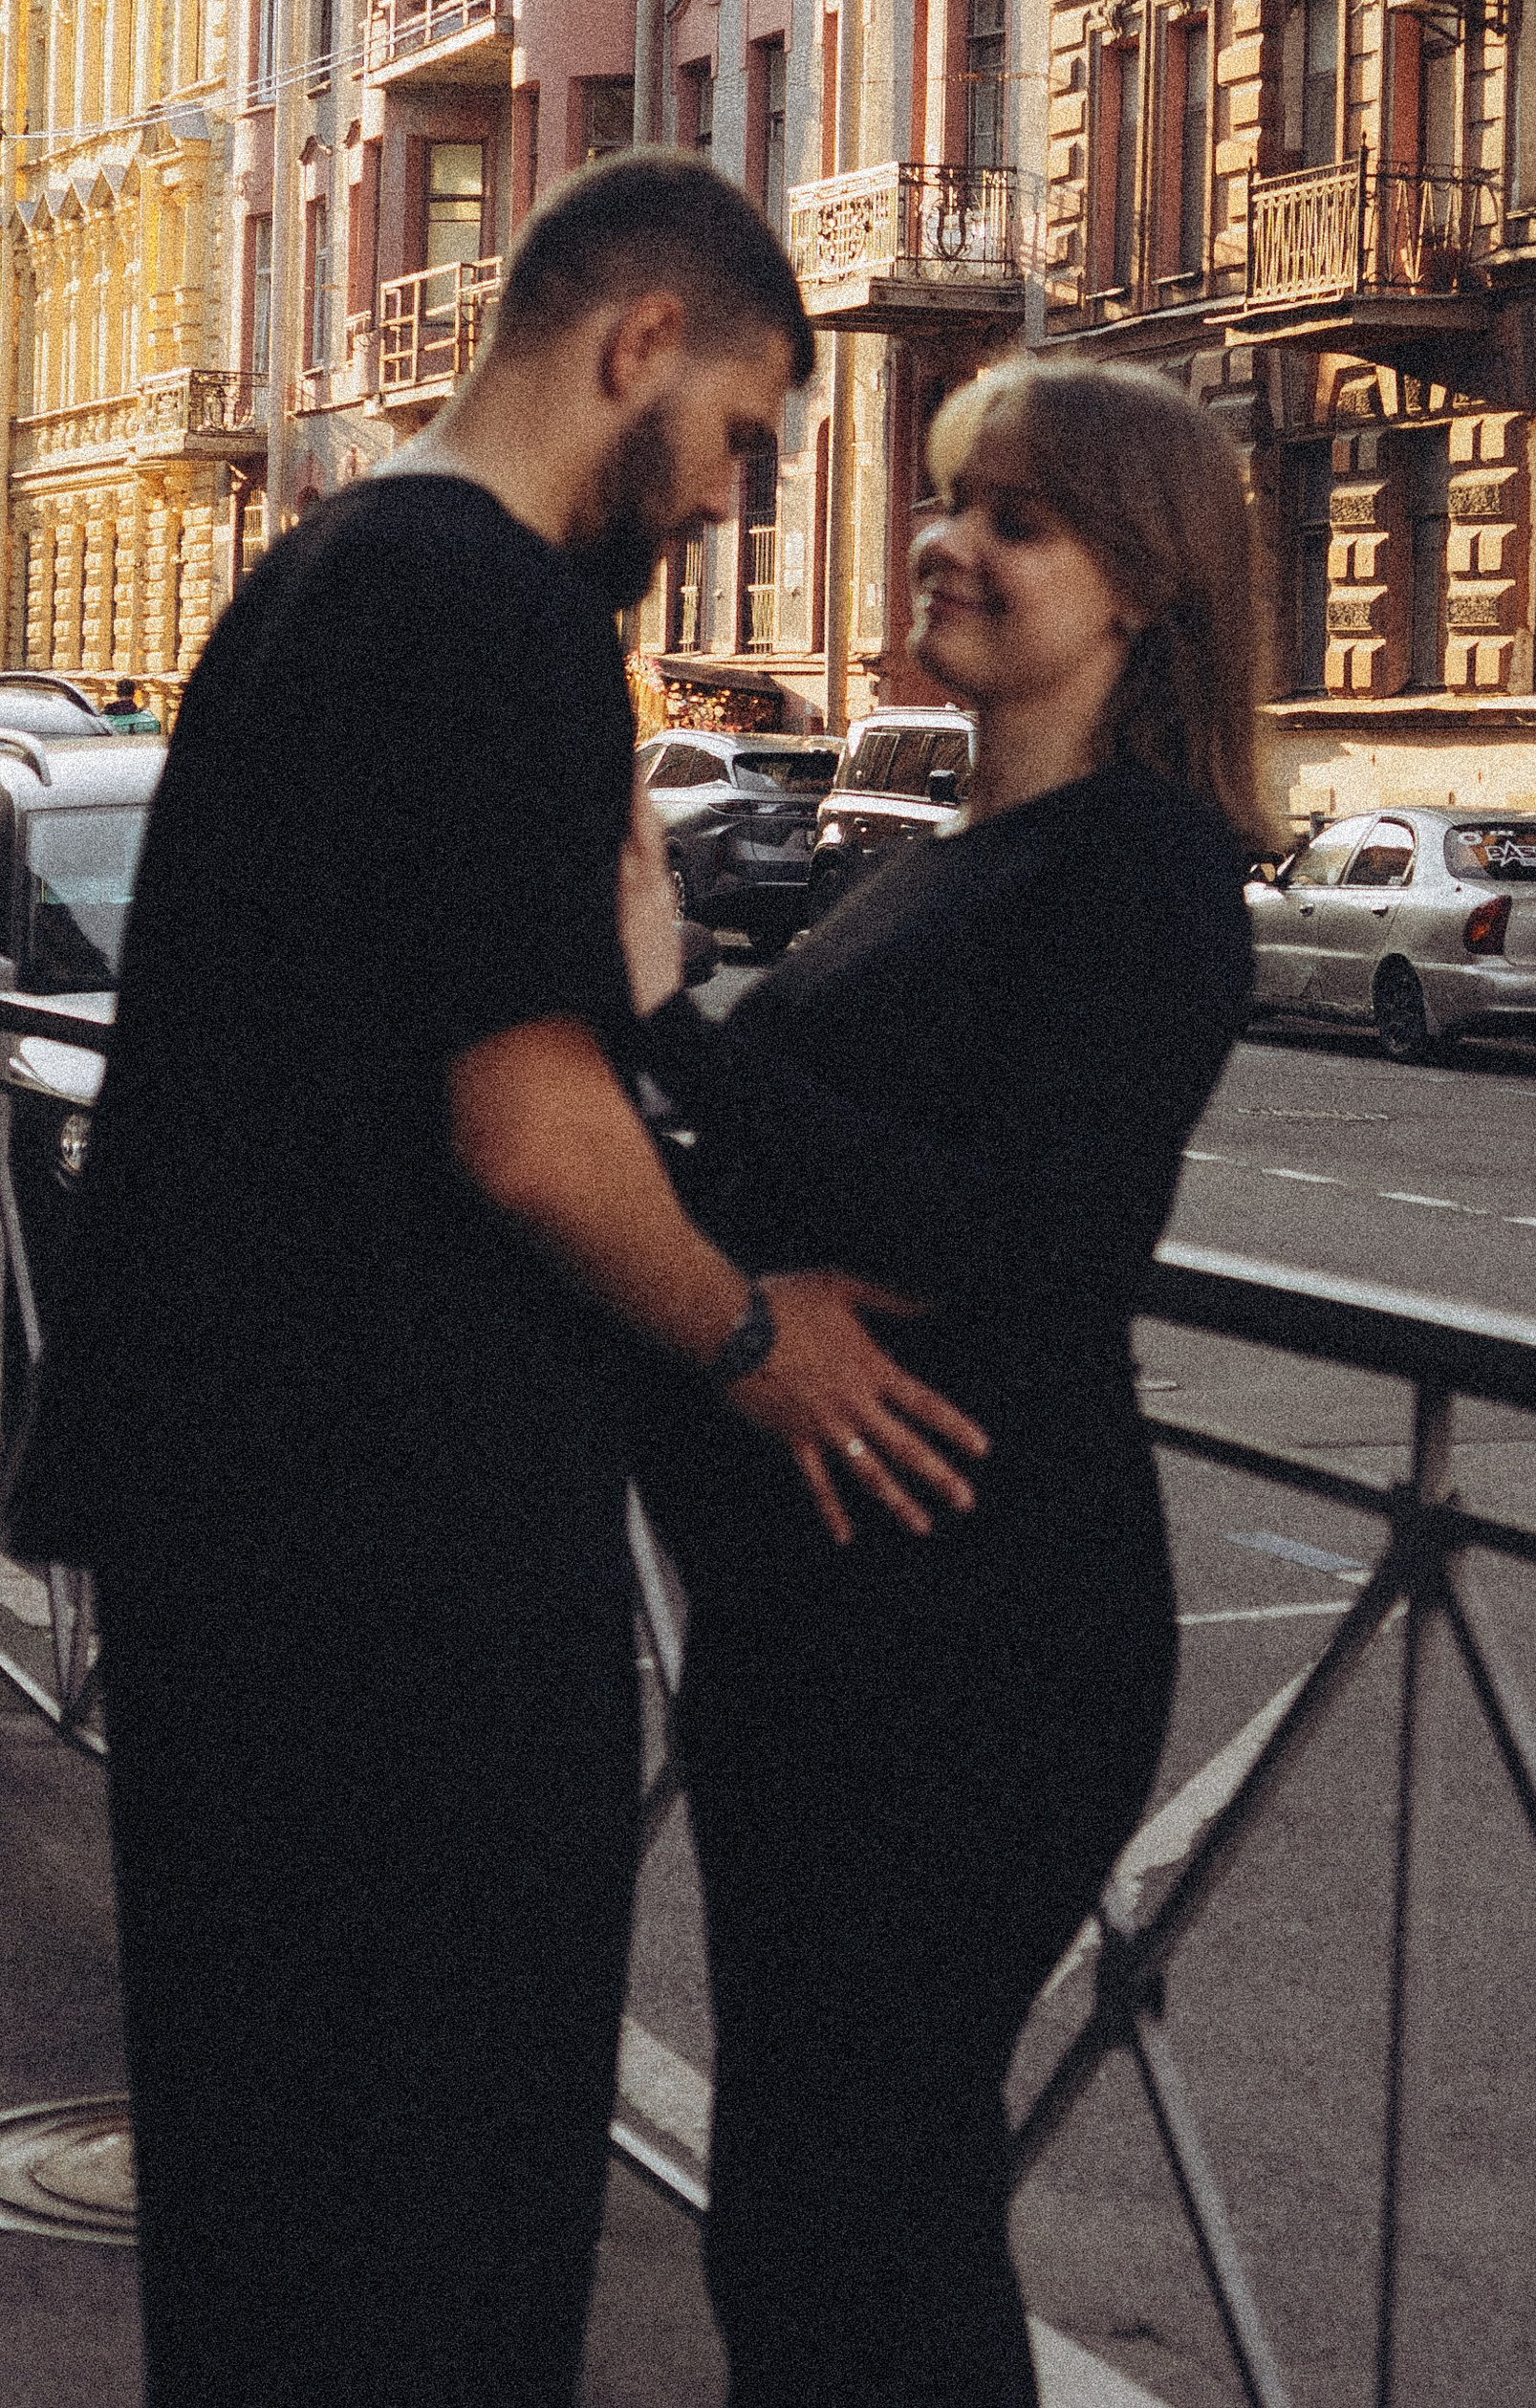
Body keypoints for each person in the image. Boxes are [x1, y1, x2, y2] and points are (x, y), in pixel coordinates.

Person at [5, 154, 984, 2408]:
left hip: (242, 1535)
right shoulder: (502, 617)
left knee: (268, 2215)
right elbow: (523, 1130)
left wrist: (621, 986)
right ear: (637, 346)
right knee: (435, 2223)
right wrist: (766, 1348)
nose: (733, 498)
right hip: (401, 1569)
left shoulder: (321, 572)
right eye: (742, 432)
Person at [623, 355, 1262, 2408]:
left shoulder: (1142, 868)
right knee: (815, 2201)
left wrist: (680, 1031)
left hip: (977, 1619)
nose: (947, 543)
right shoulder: (930, 844)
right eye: (942, 497)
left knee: (860, 2206)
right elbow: (816, 1179)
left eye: (1017, 517)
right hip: (824, 1609)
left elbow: (1037, 1242)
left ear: (1141, 582)